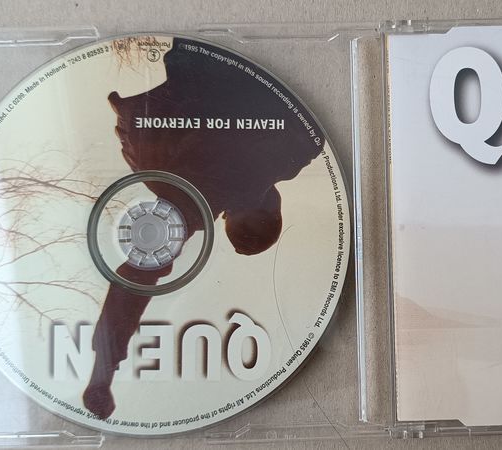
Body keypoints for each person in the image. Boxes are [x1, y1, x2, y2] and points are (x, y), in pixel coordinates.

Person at [81, 38, 323, 419]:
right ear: (228, 218)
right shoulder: (192, 202)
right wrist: (102, 373)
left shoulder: (299, 148)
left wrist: (103, 373)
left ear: (270, 205)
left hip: (220, 48)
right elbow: (135, 281)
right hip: (205, 51)